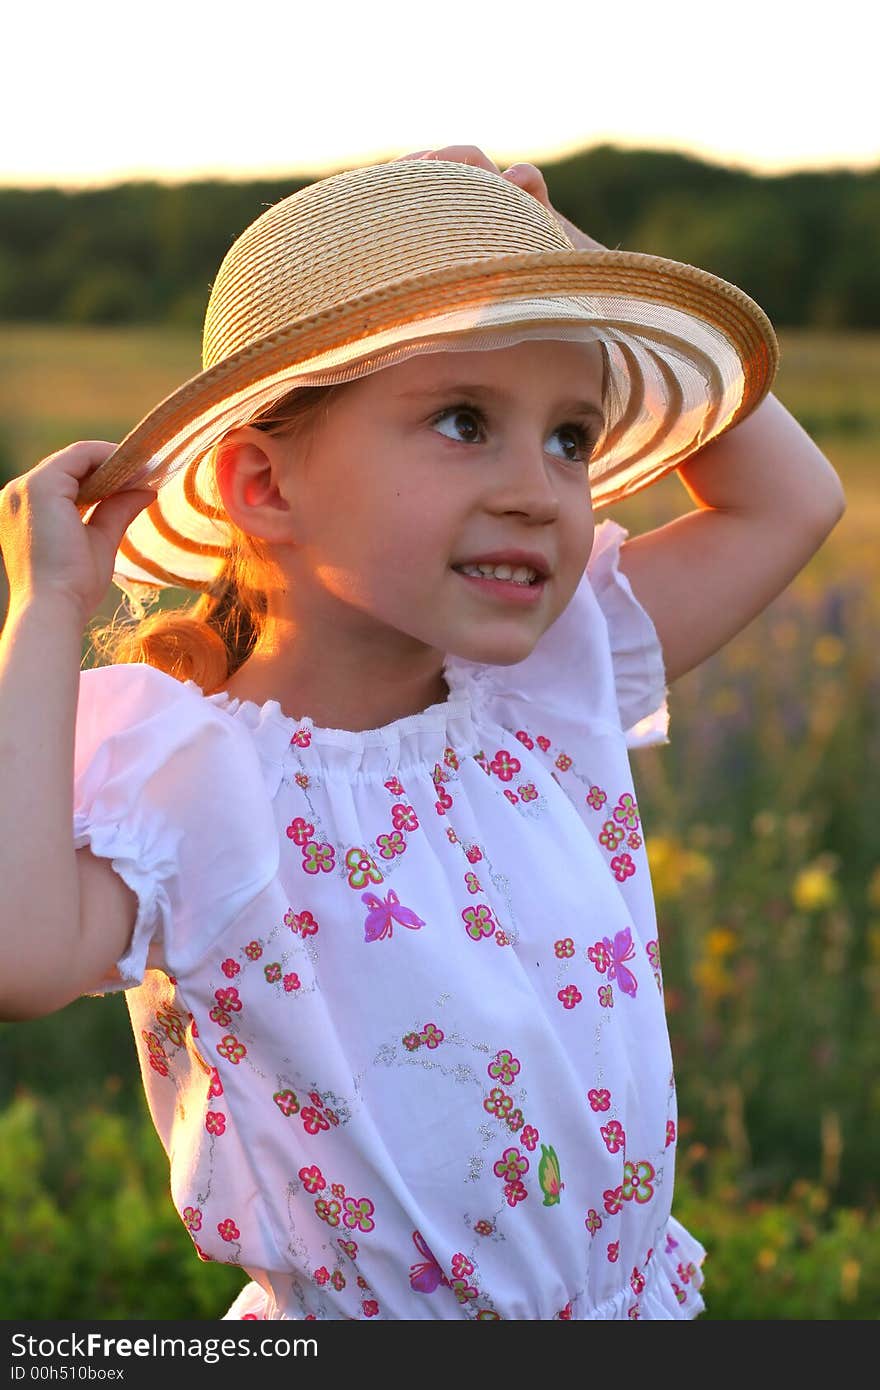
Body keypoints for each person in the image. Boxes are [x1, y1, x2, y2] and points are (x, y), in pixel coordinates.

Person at [0, 146, 845, 1322]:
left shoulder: (546, 689)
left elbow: (791, 499)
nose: (540, 490)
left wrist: (566, 260)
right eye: (462, 421)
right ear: (264, 486)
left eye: (571, 437)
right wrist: (49, 611)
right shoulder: (204, 775)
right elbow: (17, 952)